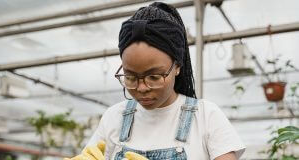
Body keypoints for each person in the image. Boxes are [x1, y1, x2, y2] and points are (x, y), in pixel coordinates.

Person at [67, 2, 245, 160]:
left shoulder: (206, 117)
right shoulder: (115, 117)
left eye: (154, 77)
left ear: (177, 66)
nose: (142, 88)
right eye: (130, 77)